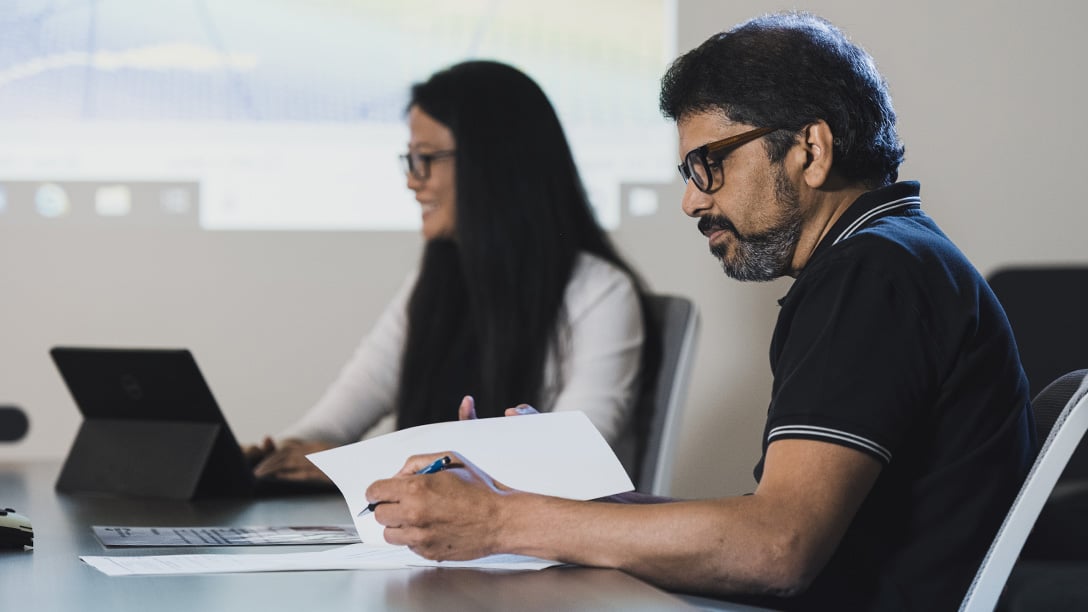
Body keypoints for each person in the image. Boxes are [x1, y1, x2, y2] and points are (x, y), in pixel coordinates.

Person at [364, 13, 1037, 611]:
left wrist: (502, 523)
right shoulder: (893, 259)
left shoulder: (873, 273)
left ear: (810, 149)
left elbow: (775, 549)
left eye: (707, 166)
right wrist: (545, 501)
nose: (692, 202)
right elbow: (768, 527)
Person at [246, 61, 649, 483]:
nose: (412, 182)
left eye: (426, 159)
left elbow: (570, 460)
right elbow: (331, 424)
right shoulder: (433, 285)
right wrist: (274, 457)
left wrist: (347, 467)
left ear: (493, 163)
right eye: (410, 159)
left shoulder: (601, 293)